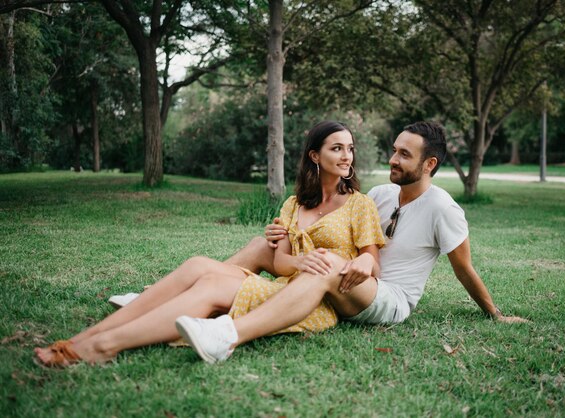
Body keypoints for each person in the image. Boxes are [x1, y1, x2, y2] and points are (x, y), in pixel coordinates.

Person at [34, 120, 385, 367]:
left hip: (313, 301)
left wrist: (358, 265)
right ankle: (86, 336)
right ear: (314, 155)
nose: (346, 156)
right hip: (285, 284)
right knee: (199, 264)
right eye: (336, 148)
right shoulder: (294, 204)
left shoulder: (359, 204)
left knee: (211, 285)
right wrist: (300, 263)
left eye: (349, 149)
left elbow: (371, 261)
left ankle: (102, 345)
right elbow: (280, 263)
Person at [172, 121, 528, 364]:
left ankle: (227, 335)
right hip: (351, 278)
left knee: (326, 264)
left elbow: (463, 268)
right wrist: (283, 236)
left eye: (405, 155)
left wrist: (495, 314)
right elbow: (339, 227)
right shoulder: (381, 194)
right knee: (265, 246)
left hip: (388, 297)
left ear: (429, 163)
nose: (393, 158)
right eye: (395, 150)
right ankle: (174, 299)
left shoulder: (443, 209)